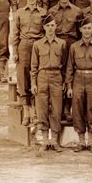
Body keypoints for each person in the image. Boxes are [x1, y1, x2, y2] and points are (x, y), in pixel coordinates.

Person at [65, 17, 92, 153]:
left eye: (89, 28)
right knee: (77, 110)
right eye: (85, 28)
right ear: (80, 30)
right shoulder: (74, 47)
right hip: (78, 79)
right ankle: (81, 142)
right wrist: (69, 87)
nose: (87, 31)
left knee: (91, 109)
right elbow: (70, 68)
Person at [30, 14, 67, 156]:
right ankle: (45, 141)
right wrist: (33, 83)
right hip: (42, 76)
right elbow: (33, 66)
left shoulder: (62, 44)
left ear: (55, 26)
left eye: (52, 25)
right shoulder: (37, 45)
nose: (50, 28)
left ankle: (55, 141)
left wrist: (64, 81)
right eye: (48, 26)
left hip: (56, 76)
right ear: (44, 27)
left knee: (57, 109)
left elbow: (64, 65)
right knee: (42, 109)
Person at [47, 0, 83, 121]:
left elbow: (80, 33)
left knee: (70, 74)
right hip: (56, 45)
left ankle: (68, 109)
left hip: (71, 44)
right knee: (58, 74)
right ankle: (57, 108)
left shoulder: (77, 11)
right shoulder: (51, 11)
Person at [13, 0, 47, 126]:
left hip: (38, 46)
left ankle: (35, 111)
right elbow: (15, 34)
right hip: (24, 45)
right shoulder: (19, 13)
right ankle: (26, 111)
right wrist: (15, 51)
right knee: (23, 78)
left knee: (37, 77)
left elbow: (46, 33)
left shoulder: (43, 12)